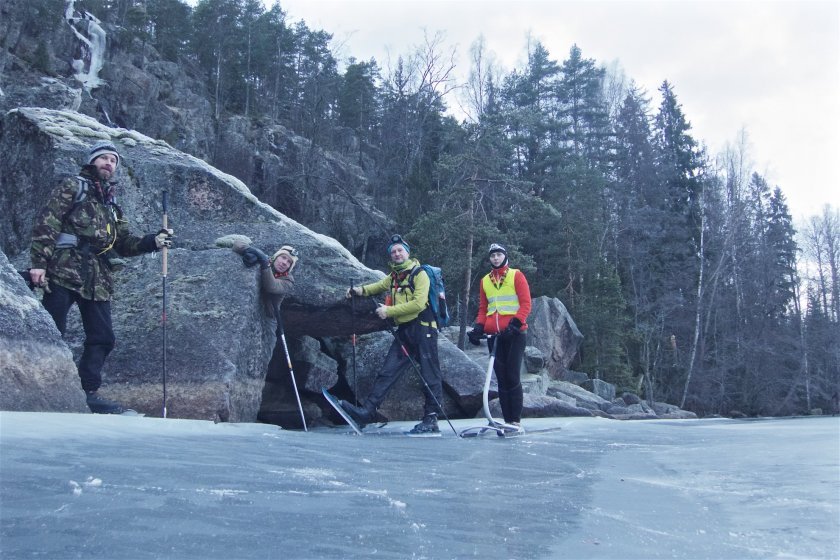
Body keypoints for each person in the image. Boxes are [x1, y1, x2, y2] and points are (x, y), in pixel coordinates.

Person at [29, 141, 173, 414]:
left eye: (113, 160)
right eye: (104, 158)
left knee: (103, 337)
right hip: (63, 269)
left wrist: (154, 241)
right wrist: (39, 264)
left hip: (98, 278)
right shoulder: (74, 186)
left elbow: (124, 243)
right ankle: (41, 386)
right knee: (52, 331)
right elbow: (48, 222)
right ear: (92, 161)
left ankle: (86, 392)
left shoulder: (112, 205)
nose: (109, 163)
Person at [342, 234, 444, 435]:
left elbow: (419, 303)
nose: (397, 254)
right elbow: (378, 287)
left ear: (407, 252)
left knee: (429, 373)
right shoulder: (394, 276)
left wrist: (388, 312)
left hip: (424, 329)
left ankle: (431, 419)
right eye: (393, 251)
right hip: (405, 331)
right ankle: (367, 411)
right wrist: (358, 290)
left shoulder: (419, 274)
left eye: (400, 250)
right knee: (388, 371)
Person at [468, 243, 532, 432]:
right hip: (494, 335)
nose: (495, 258)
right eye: (492, 256)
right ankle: (506, 420)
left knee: (512, 375)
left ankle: (516, 420)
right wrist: (479, 327)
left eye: (498, 255)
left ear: (504, 256)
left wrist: (516, 323)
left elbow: (526, 303)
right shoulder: (485, 281)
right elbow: (483, 308)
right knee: (501, 378)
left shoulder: (515, 275)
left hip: (515, 333)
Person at [231, 241, 299, 312]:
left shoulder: (288, 281)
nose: (284, 263)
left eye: (289, 262)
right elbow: (237, 244)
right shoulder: (266, 259)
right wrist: (250, 251)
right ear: (276, 257)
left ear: (289, 267)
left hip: (268, 316)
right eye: (283, 257)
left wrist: (265, 263)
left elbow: (271, 286)